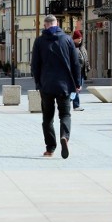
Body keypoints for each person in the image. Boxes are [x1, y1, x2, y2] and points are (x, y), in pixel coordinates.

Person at [31, 15, 81, 159]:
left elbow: (35, 65)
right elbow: (75, 64)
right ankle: (64, 136)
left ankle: (50, 148)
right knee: (65, 114)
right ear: (57, 23)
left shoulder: (39, 41)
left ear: (45, 25)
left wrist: (38, 83)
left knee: (47, 118)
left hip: (46, 85)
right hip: (64, 86)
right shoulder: (67, 39)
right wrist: (77, 83)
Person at [71, 30, 90, 111]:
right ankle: (75, 105)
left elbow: (86, 58)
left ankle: (70, 101)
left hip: (82, 72)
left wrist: (88, 67)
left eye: (80, 38)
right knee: (76, 88)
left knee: (78, 89)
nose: (80, 40)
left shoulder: (82, 47)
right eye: (78, 38)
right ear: (74, 39)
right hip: (74, 72)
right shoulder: (71, 47)